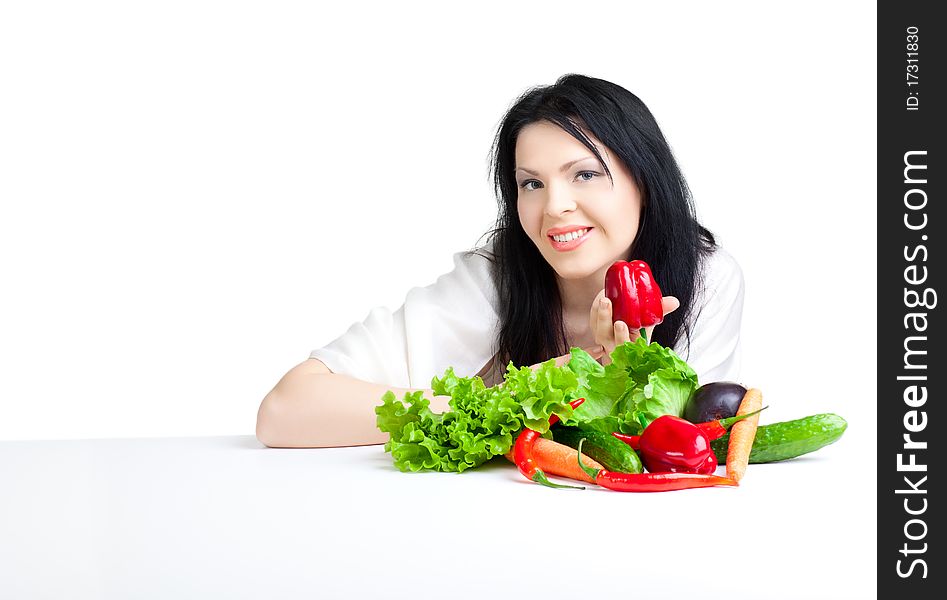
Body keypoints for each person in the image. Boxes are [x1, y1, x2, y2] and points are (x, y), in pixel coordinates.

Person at [256, 74, 744, 449]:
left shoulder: (707, 279)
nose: (554, 206)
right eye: (531, 183)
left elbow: (679, 450)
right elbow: (284, 411)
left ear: (645, 179)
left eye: (585, 174)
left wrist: (622, 373)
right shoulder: (494, 277)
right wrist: (498, 403)